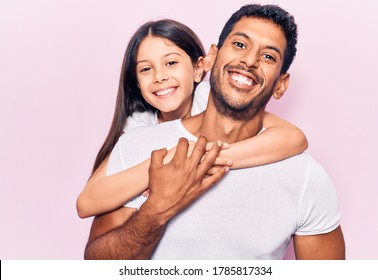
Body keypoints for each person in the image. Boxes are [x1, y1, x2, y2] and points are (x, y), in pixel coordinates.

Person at [84, 3, 346, 260]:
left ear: (281, 84)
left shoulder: (306, 178)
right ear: (213, 56)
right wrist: (158, 209)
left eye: (268, 56)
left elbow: (294, 137)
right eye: (240, 45)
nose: (250, 60)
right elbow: (96, 260)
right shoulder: (137, 144)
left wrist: (203, 157)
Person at [76, 19, 308, 218]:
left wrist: (199, 161)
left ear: (199, 68)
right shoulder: (140, 127)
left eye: (171, 63)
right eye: (146, 69)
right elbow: (86, 203)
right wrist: (163, 169)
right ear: (136, 83)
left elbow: (293, 138)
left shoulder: (212, 97)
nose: (160, 77)